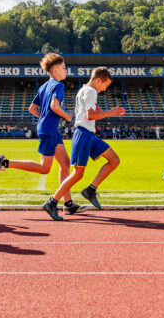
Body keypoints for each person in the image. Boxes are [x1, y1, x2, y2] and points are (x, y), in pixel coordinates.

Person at [0, 53, 84, 215]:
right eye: (63, 68)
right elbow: (54, 105)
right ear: (54, 70)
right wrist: (66, 116)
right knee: (44, 168)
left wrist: (46, 118)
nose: (66, 71)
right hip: (48, 130)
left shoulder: (43, 86)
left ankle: (68, 204)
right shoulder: (58, 85)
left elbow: (32, 108)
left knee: (65, 164)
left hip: (50, 129)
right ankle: (4, 163)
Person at [42, 67, 125, 220]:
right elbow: (90, 115)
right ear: (98, 80)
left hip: (89, 133)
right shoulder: (91, 92)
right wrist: (111, 112)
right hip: (83, 134)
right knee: (77, 174)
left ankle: (91, 190)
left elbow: (88, 114)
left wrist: (98, 112)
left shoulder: (84, 90)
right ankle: (52, 202)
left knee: (114, 160)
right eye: (105, 85)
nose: (104, 89)